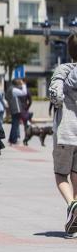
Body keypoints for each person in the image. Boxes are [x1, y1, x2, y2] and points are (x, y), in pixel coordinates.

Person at [48, 34, 77, 238]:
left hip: (66, 132)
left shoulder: (63, 71)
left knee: (60, 174)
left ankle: (72, 204)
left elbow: (56, 96)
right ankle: (74, 219)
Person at [6, 78, 28, 145]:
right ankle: (13, 139)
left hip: (13, 108)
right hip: (16, 109)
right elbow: (24, 93)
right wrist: (23, 84)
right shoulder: (14, 89)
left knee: (14, 124)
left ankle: (11, 138)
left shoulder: (10, 89)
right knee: (15, 124)